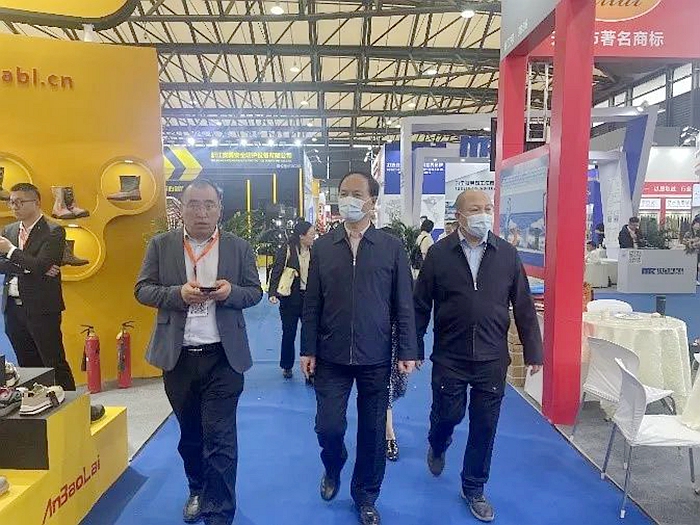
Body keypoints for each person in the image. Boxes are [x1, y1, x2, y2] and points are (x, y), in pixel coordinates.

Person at [135, 179, 262, 525]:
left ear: (220, 209)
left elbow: (254, 292)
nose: (202, 212)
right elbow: (142, 289)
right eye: (194, 204)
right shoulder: (161, 246)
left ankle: (219, 514)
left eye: (209, 205)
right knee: (191, 437)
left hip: (224, 358)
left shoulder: (238, 247)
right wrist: (177, 294)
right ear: (182, 209)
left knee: (221, 439)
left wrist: (231, 293)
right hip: (178, 357)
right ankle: (197, 488)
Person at [414, 189, 543, 523]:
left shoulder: (507, 254)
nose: (483, 214)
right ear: (459, 216)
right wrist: (413, 348)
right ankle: (438, 442)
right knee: (448, 414)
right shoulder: (439, 254)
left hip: (492, 357)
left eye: (487, 208)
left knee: (485, 425)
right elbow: (420, 305)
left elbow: (524, 305)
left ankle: (474, 487)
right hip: (450, 356)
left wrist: (534, 350)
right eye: (475, 209)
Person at [301, 171, 418, 525]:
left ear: (372, 201)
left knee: (373, 432)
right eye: (343, 192)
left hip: (376, 357)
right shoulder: (323, 247)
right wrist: (308, 349)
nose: (348, 199)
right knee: (328, 427)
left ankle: (366, 495)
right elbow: (312, 304)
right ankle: (333, 464)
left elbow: (404, 303)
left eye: (356, 193)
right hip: (331, 355)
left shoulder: (391, 248)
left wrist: (408, 349)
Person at [0, 183, 76, 392]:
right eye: (11, 202)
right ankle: (38, 403)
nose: (14, 207)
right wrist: (29, 267)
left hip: (42, 307)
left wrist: (11, 251)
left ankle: (73, 404)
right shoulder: (9, 230)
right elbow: (7, 265)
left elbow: (41, 265)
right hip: (12, 308)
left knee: (53, 361)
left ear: (36, 202)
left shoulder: (53, 231)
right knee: (27, 364)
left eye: (20, 202)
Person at [268, 220, 316, 380]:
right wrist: (273, 293)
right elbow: (277, 270)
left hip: (309, 299)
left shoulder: (315, 251)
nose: (314, 236)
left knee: (309, 334)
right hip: (290, 298)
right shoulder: (287, 249)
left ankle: (310, 370)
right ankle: (287, 365)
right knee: (289, 333)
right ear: (302, 236)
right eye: (311, 234)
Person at [379, 226, 409, 462]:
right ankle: (389, 435)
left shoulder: (402, 274)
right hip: (373, 339)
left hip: (396, 338)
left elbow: (410, 309)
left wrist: (411, 348)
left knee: (393, 386)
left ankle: (385, 430)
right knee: (384, 387)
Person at [682, 217, 700, 284]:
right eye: (696, 224)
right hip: (691, 252)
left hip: (698, 252)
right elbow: (684, 241)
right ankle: (692, 279)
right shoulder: (688, 233)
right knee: (692, 266)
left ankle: (696, 279)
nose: (697, 226)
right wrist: (689, 243)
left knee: (696, 266)